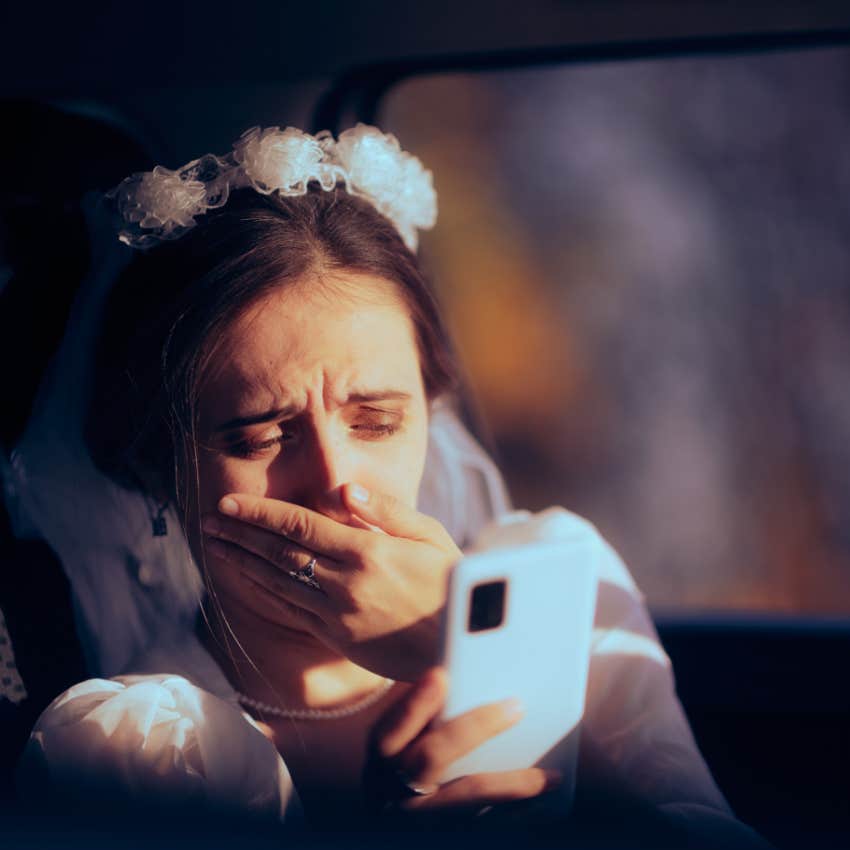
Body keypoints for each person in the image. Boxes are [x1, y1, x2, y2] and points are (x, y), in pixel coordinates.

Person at [11, 125, 768, 846]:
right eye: (258, 436)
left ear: (430, 418)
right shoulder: (140, 752)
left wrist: (492, 668)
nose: (338, 486)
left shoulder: (556, 594)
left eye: (375, 422)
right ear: (156, 465)